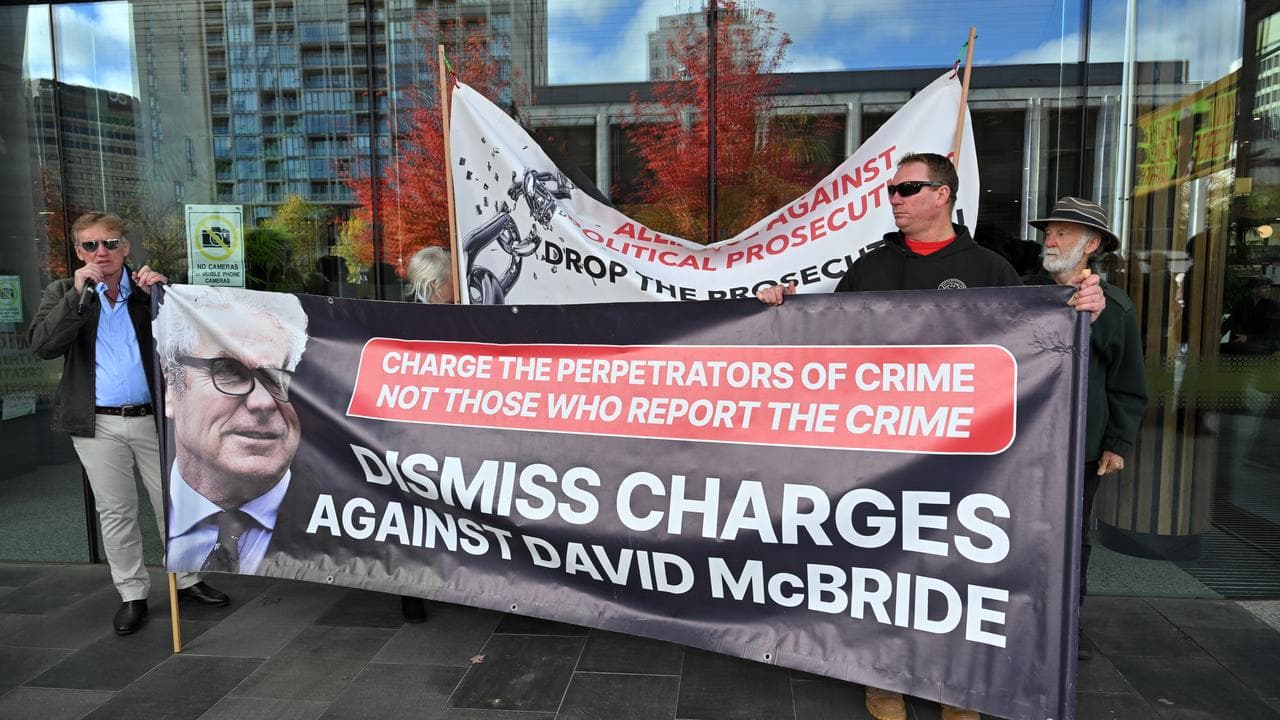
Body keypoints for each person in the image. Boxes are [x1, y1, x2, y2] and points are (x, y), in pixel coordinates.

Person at [757, 154, 1105, 720]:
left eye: (908, 188)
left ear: (942, 194)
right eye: (891, 190)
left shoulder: (990, 268)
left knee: (955, 567)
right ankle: (882, 676)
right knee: (878, 563)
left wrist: (1085, 310)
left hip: (965, 453)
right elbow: (825, 338)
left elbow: (1038, 340)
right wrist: (781, 308)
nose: (894, 198)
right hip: (880, 448)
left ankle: (958, 687)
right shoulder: (869, 268)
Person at [28, 212, 230, 636]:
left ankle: (187, 580)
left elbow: (191, 341)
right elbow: (43, 345)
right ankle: (132, 593)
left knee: (172, 504)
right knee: (117, 511)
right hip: (97, 424)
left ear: (125, 247)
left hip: (154, 420)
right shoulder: (64, 292)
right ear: (78, 252)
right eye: (90, 245)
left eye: (110, 243)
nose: (100, 252)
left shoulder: (146, 290)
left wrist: (162, 296)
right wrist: (77, 296)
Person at [1028, 197, 1148, 660]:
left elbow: (1127, 382)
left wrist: (1118, 442)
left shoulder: (1114, 307)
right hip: (1023, 442)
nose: (1051, 240)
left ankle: (1065, 624)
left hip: (1079, 445)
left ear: (1092, 244)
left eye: (1063, 233)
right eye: (1049, 232)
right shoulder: (1023, 293)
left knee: (1071, 535)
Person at [157, 286, 309, 577]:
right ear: (170, 391)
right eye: (227, 371)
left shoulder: (356, 521)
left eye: (276, 377)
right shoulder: (157, 508)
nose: (263, 402)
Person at [395, 246, 457, 623]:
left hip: (432, 432)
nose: (456, 285)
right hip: (421, 434)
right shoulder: (420, 321)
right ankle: (413, 593)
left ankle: (424, 590)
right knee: (419, 512)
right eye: (451, 279)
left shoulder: (400, 319)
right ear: (436, 284)